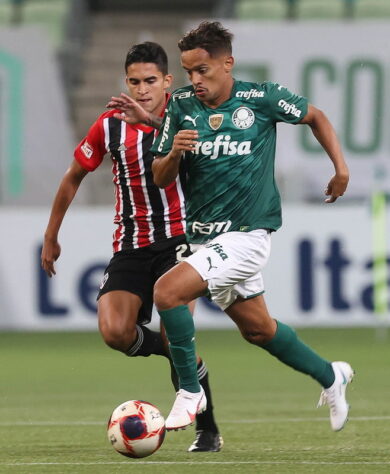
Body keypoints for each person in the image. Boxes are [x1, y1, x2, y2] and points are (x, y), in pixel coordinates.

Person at [147, 21, 354, 432]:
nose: (195, 80)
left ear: (228, 63)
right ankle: (332, 376)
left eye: (203, 70)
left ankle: (190, 393)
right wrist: (173, 154)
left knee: (166, 292)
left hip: (247, 235)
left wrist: (341, 168)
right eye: (189, 71)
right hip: (204, 238)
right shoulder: (180, 105)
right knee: (259, 330)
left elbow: (316, 116)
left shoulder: (261, 98)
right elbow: (160, 176)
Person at [41, 41, 223, 452]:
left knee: (178, 326)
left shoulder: (189, 114)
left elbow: (215, 155)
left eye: (150, 81)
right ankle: (179, 352)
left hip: (180, 239)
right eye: (135, 81)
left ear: (167, 82)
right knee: (115, 332)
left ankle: (207, 429)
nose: (142, 89)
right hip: (131, 243)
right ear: (126, 81)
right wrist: (52, 235)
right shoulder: (109, 126)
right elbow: (73, 176)